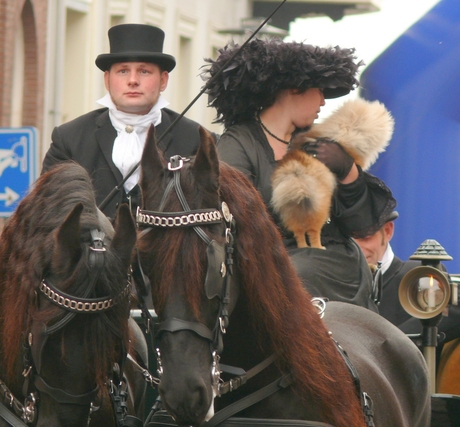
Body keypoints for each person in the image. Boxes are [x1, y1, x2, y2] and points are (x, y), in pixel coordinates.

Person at [202, 38, 396, 311]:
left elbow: (361, 224)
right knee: (295, 273)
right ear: (294, 88)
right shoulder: (239, 143)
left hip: (337, 263)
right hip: (271, 262)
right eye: (319, 91)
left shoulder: (319, 140)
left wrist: (346, 169)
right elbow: (235, 219)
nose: (322, 101)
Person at [42, 24, 204, 219]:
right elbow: (47, 213)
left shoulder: (196, 140)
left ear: (163, 80)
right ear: (107, 79)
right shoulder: (68, 139)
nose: (133, 80)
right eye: (123, 71)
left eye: (144, 71)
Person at [354, 210, 421, 325]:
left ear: (387, 231)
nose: (355, 249)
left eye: (364, 237)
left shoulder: (417, 278)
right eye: (346, 240)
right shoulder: (323, 280)